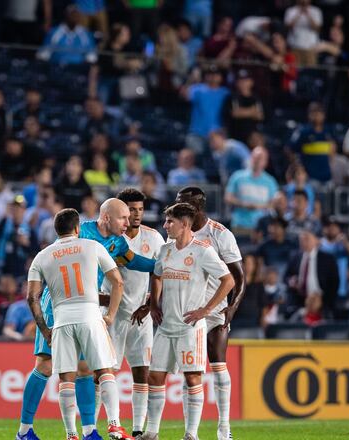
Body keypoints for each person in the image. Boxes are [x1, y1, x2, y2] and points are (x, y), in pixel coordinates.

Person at [17, 199, 155, 440]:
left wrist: (166, 263)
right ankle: (24, 429)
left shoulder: (118, 243)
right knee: (45, 366)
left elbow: (136, 263)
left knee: (84, 369)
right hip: (57, 306)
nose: (129, 221)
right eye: (123, 217)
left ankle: (89, 431)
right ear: (106, 217)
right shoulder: (84, 234)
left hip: (85, 308)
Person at [133, 202, 235, 440]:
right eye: (166, 221)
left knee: (192, 378)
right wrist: (154, 304)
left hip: (190, 328)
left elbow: (228, 280)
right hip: (166, 327)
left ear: (185, 224)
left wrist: (206, 309)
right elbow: (157, 275)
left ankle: (191, 434)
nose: (166, 225)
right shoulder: (165, 250)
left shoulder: (203, 251)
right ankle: (152, 432)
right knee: (155, 376)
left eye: (170, 221)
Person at [167, 187, 245, 440]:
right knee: (190, 371)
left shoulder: (220, 234)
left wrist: (231, 309)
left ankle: (224, 428)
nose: (178, 207)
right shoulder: (175, 232)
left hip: (214, 311)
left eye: (183, 203)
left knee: (218, 364)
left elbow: (240, 278)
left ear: (197, 207)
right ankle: (191, 432)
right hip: (186, 311)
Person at [97, 189, 165, 437]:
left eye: (139, 209)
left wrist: (150, 304)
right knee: (105, 371)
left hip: (141, 316)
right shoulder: (111, 239)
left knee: (141, 371)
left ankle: (137, 429)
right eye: (131, 210)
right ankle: (94, 428)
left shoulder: (154, 238)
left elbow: (159, 273)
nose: (135, 215)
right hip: (111, 314)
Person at [284, 230, 340, 325]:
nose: (303, 242)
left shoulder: (327, 258)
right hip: (299, 302)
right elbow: (286, 276)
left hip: (322, 303)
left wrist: (322, 301)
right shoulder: (295, 257)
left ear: (317, 241)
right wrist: (290, 281)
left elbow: (334, 282)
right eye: (301, 239)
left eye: (307, 238)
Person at [225, 146, 279, 233]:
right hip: (240, 224)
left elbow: (274, 204)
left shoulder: (270, 181)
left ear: (266, 162)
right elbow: (228, 198)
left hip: (262, 228)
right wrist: (244, 204)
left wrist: (259, 206)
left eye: (260, 158)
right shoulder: (237, 176)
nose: (257, 160)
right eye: (255, 157)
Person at [182, 65, 230, 153]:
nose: (213, 77)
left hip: (218, 134)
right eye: (210, 74)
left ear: (221, 77)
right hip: (197, 134)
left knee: (220, 160)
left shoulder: (225, 93)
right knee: (195, 158)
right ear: (206, 76)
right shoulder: (197, 89)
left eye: (216, 74)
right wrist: (191, 79)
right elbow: (184, 95)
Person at [286, 102, 336, 184]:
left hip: (327, 177)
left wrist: (331, 162)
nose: (316, 116)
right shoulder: (303, 131)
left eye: (319, 112)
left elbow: (333, 148)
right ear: (309, 115)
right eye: (313, 113)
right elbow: (289, 149)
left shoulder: (328, 131)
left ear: (323, 115)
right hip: (310, 178)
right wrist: (298, 165)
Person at [0, 195, 32, 278]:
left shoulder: (29, 229)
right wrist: (5, 215)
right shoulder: (4, 224)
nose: (17, 210)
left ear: (24, 210)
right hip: (4, 266)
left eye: (19, 208)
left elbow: (34, 250)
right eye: (14, 208)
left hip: (20, 268)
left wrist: (26, 244)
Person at [226, 69, 264, 144]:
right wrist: (252, 111)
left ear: (251, 82)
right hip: (235, 135)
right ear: (236, 83)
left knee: (259, 141)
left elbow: (260, 116)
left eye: (246, 80)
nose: (243, 83)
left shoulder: (256, 98)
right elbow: (235, 113)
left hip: (252, 135)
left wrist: (242, 112)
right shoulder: (232, 97)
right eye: (241, 80)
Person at [320, 219, 349, 299]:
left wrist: (344, 240)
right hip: (325, 286)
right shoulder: (321, 243)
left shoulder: (343, 243)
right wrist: (335, 241)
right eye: (330, 227)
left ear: (339, 229)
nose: (332, 229)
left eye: (335, 227)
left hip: (341, 287)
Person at [284, 0, 323, 67]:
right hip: (294, 46)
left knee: (310, 72)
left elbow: (317, 28)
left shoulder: (316, 11)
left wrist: (308, 15)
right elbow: (287, 27)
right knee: (295, 71)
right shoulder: (290, 11)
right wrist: (298, 14)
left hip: (311, 48)